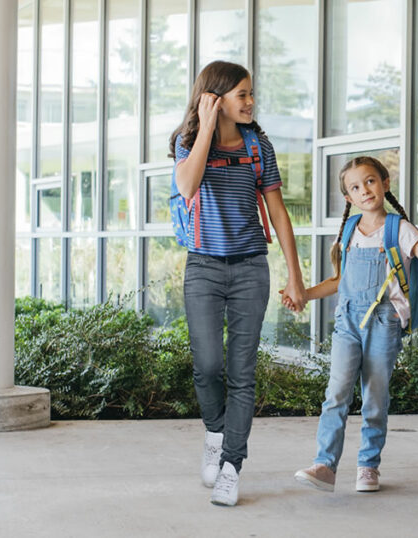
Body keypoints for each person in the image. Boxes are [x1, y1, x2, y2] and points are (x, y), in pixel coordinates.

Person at [288, 156, 418, 493]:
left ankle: (368, 467)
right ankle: (325, 466)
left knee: (374, 396)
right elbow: (340, 280)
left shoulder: (400, 230)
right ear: (348, 198)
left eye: (370, 181)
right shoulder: (348, 230)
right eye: (356, 187)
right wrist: (304, 294)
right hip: (347, 321)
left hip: (383, 323)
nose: (365, 190)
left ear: (385, 183)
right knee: (336, 393)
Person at [169, 60, 306, 507]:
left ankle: (231, 465)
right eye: (242, 94)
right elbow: (188, 186)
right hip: (204, 268)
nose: (250, 102)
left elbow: (278, 211)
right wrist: (206, 125)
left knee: (242, 373)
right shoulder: (187, 142)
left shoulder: (258, 147)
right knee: (207, 366)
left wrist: (295, 274)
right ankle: (214, 432)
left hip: (250, 267)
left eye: (251, 94)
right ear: (215, 98)